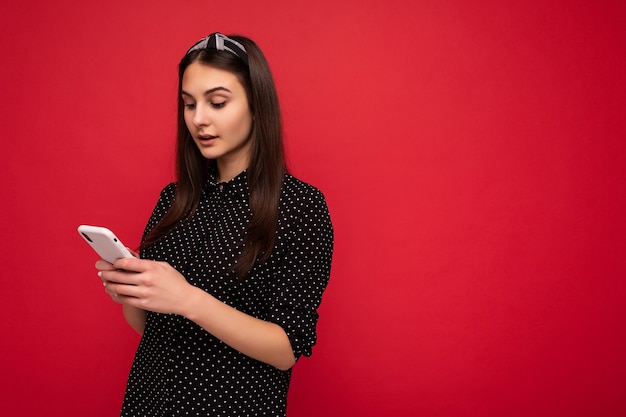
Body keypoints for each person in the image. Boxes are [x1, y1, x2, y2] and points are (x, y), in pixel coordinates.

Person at [96, 32, 334, 416]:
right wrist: (130, 291)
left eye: (218, 102)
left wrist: (188, 299)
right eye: (189, 105)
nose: (199, 119)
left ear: (257, 105)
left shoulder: (299, 205)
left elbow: (286, 349)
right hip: (148, 402)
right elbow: (154, 330)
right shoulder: (173, 200)